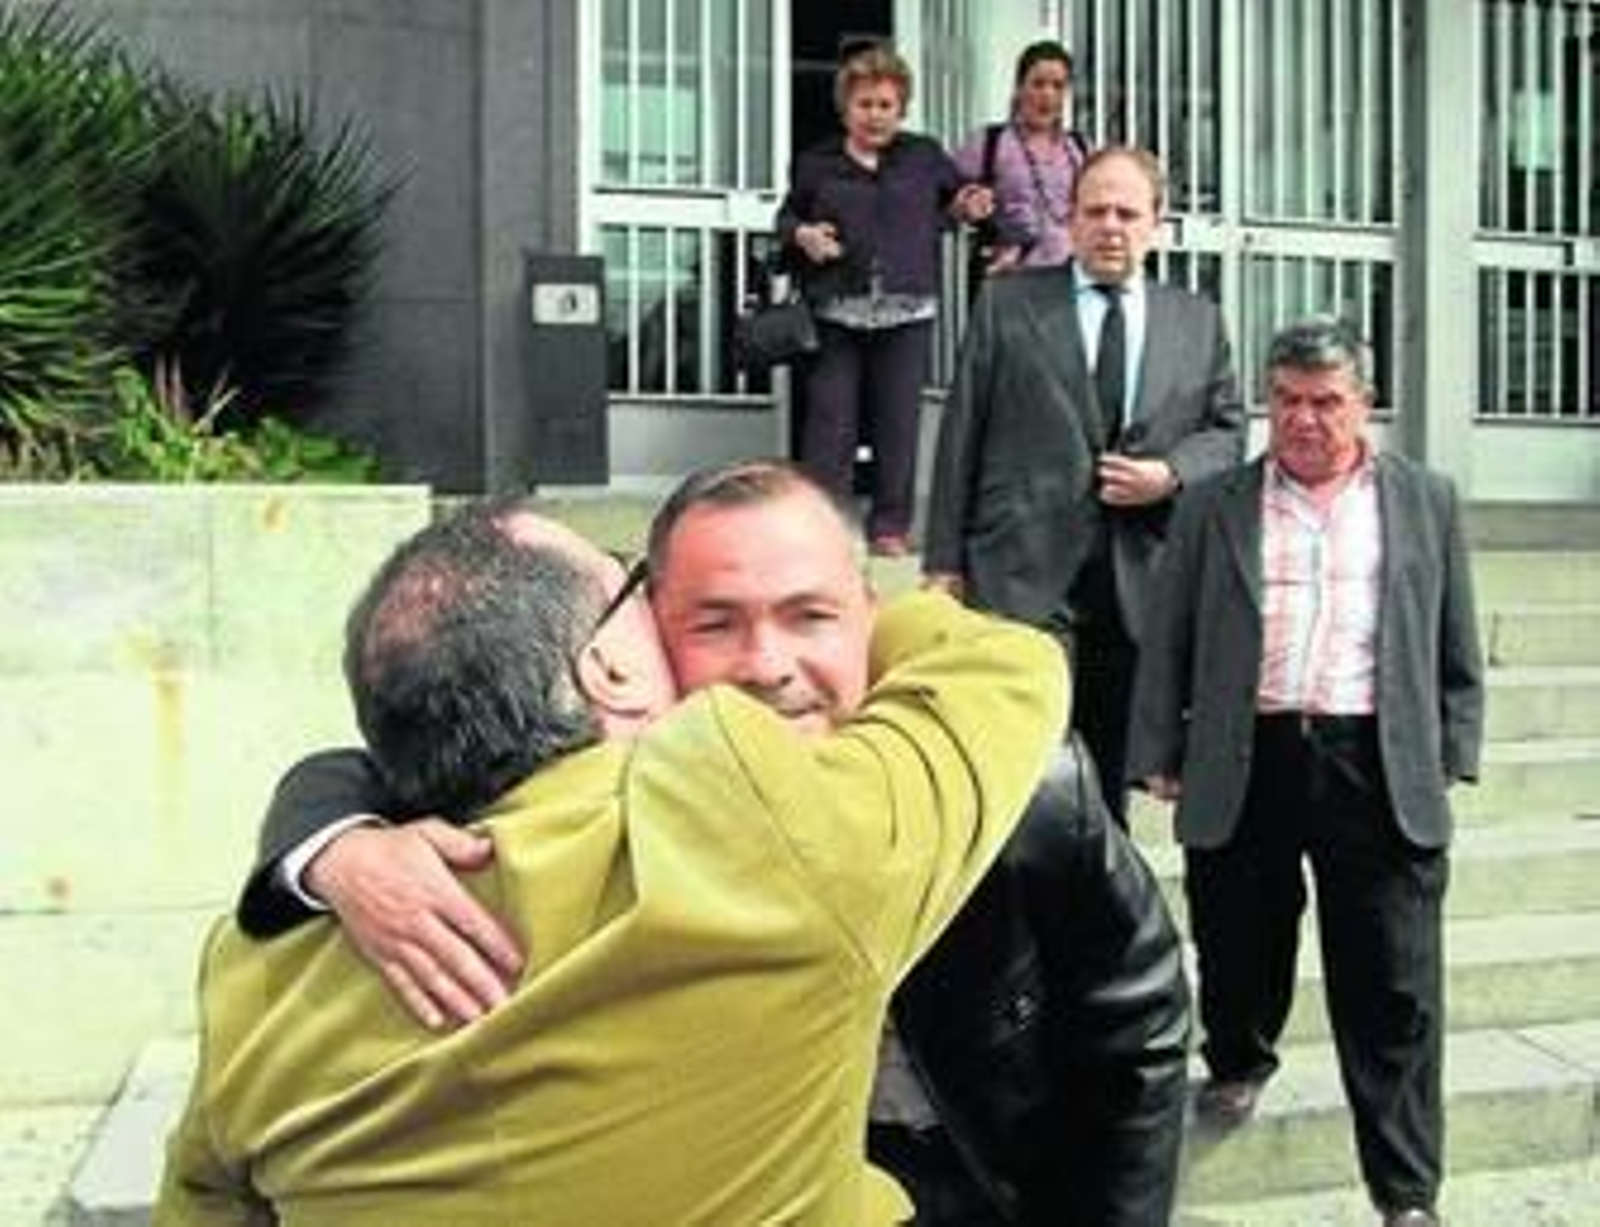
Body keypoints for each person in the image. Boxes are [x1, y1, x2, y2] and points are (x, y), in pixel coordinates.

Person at [237, 461, 1191, 1226]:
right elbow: (399, 753)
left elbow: (1136, 1017)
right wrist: (335, 842)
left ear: (871, 613)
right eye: (716, 624)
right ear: (636, 650)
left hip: (982, 1173)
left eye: (812, 614)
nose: (768, 666)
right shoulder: (603, 821)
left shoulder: (1023, 785)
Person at [1128, 317, 1486, 1227]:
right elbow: (1168, 635)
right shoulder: (1215, 504)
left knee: (1395, 983)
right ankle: (1240, 1056)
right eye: (1286, 401)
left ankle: (1406, 1192)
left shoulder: (1426, 501)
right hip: (1251, 753)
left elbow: (1454, 639)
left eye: (1326, 401)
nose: (1305, 420)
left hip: (1373, 757)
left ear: (1363, 404)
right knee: (1240, 943)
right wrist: (1159, 750)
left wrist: (1452, 745)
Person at [922, 145, 1246, 825]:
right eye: (1094, 210)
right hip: (1022, 573)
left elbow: (1227, 433)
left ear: (1158, 222)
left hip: (1139, 582)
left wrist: (1170, 474)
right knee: (1021, 778)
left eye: (1128, 212)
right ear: (1068, 219)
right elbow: (963, 432)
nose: (1111, 226)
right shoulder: (1008, 306)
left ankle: (1100, 920)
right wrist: (943, 561)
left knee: (1108, 780)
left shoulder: (1197, 321)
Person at [777, 42, 991, 557]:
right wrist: (803, 234)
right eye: (865, 104)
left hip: (906, 311)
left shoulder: (924, 156)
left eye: (886, 105)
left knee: (898, 422)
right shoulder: (816, 163)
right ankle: (824, 524)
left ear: (902, 108)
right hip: (837, 311)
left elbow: (960, 199)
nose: (875, 116)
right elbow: (786, 218)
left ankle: (889, 527)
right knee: (831, 424)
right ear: (845, 107)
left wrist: (971, 203)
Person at [954, 39, 1089, 282]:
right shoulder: (988, 142)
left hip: (1069, 281)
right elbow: (945, 198)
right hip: (1006, 280)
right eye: (1038, 84)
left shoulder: (1080, 147)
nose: (1047, 94)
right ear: (1019, 87)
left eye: (1058, 86)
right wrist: (966, 205)